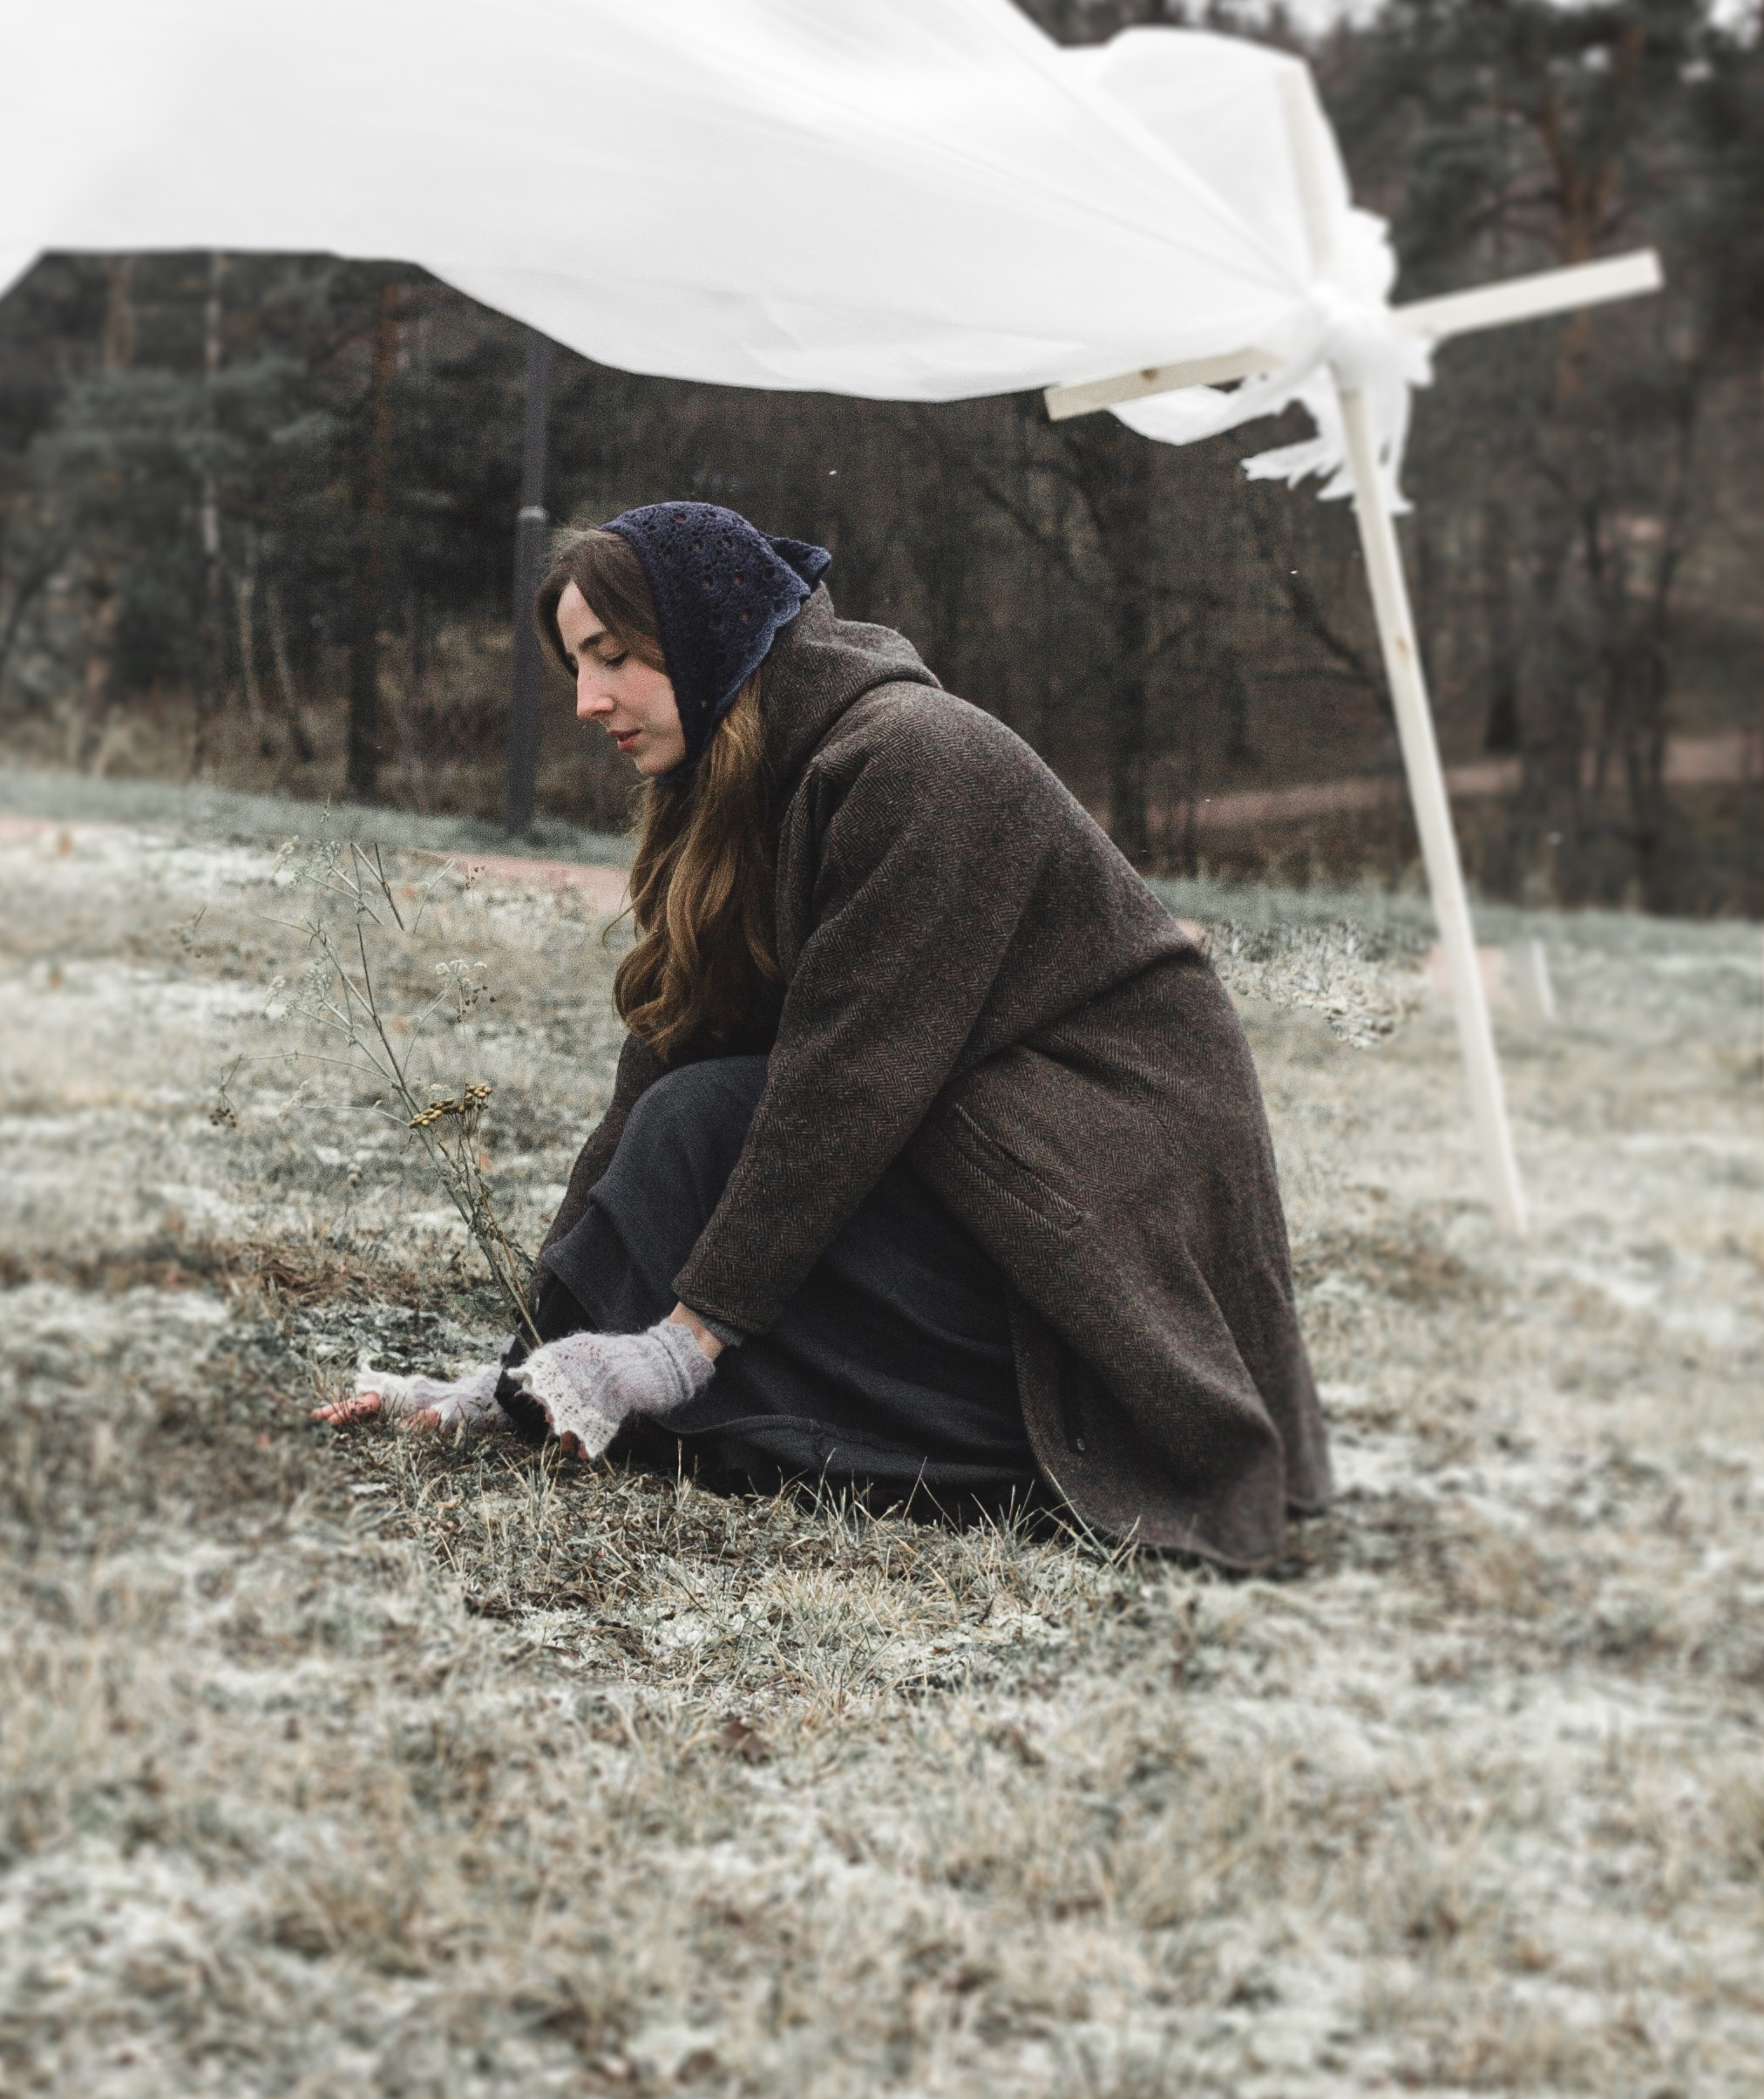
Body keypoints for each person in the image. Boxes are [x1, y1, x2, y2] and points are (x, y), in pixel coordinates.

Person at [317, 502, 1329, 1566]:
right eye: (576, 665)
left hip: (1096, 1200)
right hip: (968, 1158)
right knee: (684, 1120)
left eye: (612, 657)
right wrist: (515, 1376)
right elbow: (665, 1054)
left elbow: (846, 1086)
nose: (585, 700)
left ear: (708, 635)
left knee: (708, 1138)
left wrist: (681, 1345)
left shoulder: (917, 760)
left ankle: (1039, 1431)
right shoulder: (728, 783)